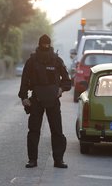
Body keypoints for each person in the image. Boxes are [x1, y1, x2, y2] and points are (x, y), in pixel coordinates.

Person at [18, 34, 71, 168]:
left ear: (50, 45)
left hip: (53, 99)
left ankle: (58, 160)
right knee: (34, 130)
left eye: (47, 45)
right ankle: (32, 160)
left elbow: (67, 81)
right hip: (36, 99)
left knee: (57, 131)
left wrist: (61, 89)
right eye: (44, 45)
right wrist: (23, 97)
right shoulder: (32, 61)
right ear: (40, 44)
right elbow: (24, 80)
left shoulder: (56, 60)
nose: (45, 47)